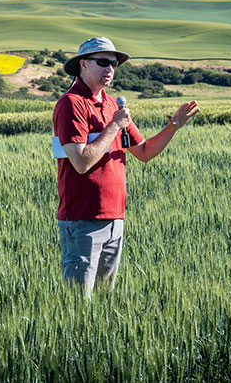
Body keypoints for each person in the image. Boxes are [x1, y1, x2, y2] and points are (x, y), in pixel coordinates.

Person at [52, 36, 199, 297]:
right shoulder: (72, 103)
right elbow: (81, 162)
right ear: (83, 65)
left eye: (114, 64)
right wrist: (114, 126)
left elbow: (143, 152)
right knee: (77, 304)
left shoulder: (112, 105)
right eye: (102, 62)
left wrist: (172, 127)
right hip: (83, 218)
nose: (110, 68)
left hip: (114, 218)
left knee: (103, 300)